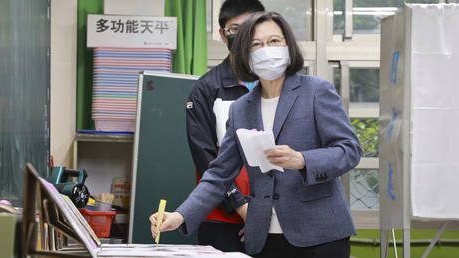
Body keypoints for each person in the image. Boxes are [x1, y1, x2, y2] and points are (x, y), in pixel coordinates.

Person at [150, 11, 362, 258]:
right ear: (245, 54)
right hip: (263, 237)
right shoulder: (241, 108)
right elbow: (219, 173)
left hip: (320, 235)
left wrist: (303, 160)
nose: (266, 50)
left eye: (274, 41)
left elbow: (350, 150)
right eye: (256, 44)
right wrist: (180, 215)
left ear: (288, 46)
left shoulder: (316, 91)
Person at [184, 0, 264, 253]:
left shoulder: (282, 85)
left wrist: (264, 213)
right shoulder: (205, 90)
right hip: (223, 217)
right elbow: (205, 157)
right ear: (222, 34)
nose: (244, 36)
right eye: (235, 28)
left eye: (252, 26)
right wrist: (242, 207)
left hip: (277, 216)